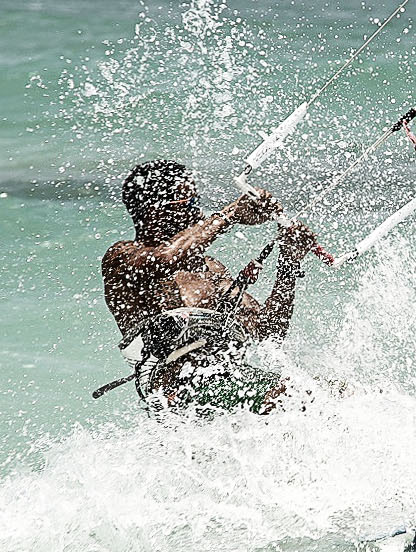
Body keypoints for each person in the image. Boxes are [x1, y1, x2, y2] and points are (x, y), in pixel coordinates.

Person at [100, 159, 318, 417]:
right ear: (154, 211)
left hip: (233, 381)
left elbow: (268, 330)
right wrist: (230, 214)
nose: (197, 211)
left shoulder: (211, 270)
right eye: (188, 202)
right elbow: (165, 257)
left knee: (332, 392)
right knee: (300, 396)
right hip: (177, 390)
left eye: (197, 200)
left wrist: (289, 263)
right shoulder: (123, 258)